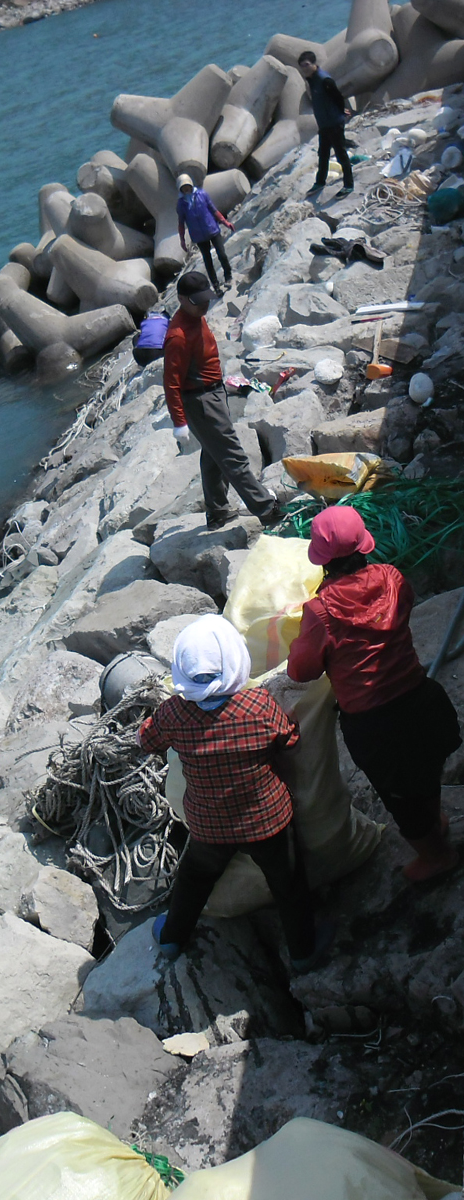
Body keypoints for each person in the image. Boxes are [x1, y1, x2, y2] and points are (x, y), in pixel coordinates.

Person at [137, 614, 327, 970]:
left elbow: (146, 740)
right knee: (288, 883)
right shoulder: (258, 705)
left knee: (194, 879)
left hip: (209, 826)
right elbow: (290, 740)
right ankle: (304, 951)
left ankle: (171, 938)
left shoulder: (173, 713)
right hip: (268, 821)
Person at [288, 507, 462, 882]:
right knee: (426, 770)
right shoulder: (393, 577)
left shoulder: (321, 611)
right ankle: (436, 823)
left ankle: (437, 856)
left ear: (322, 558)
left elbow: (301, 670)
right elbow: (403, 606)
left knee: (401, 798)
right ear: (363, 545)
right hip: (421, 699)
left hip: (377, 725)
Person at [163, 271, 281, 531]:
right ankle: (266, 509)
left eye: (206, 300)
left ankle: (217, 512)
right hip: (201, 401)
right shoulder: (178, 336)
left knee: (214, 454)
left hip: (214, 392)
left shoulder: (196, 316)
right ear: (181, 299)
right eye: (197, 301)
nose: (204, 305)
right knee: (232, 455)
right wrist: (179, 422)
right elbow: (171, 383)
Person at [297, 50, 354, 199]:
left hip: (334, 123)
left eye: (307, 65)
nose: (304, 69)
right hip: (324, 125)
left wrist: (342, 111)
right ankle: (320, 182)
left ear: (314, 64)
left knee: (341, 154)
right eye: (302, 66)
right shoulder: (311, 80)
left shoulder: (324, 80)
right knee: (323, 154)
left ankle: (349, 185)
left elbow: (338, 96)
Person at [176, 174, 235, 297]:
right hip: (199, 236)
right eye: (183, 188)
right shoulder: (181, 204)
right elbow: (181, 223)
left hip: (212, 230)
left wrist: (225, 222)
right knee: (208, 262)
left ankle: (228, 276)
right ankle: (216, 286)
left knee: (222, 255)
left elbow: (214, 210)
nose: (186, 190)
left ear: (191, 185)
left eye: (188, 187)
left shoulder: (202, 195)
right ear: (180, 189)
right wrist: (182, 239)